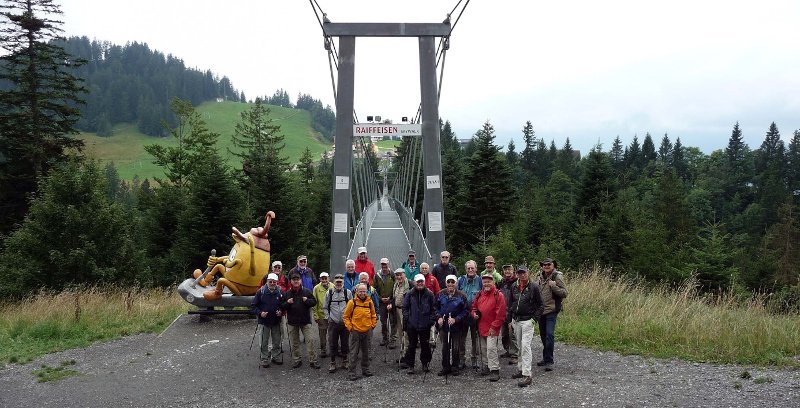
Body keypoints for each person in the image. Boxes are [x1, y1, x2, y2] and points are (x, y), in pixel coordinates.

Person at [507, 265, 544, 387]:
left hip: (528, 320)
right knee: (519, 345)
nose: (522, 275)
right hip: (516, 320)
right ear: (517, 274)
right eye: (519, 273)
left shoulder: (534, 287)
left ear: (528, 273)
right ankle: (521, 369)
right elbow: (510, 304)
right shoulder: (514, 286)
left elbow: (541, 305)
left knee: (525, 346)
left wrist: (534, 319)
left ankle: (528, 375)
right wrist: (509, 320)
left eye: (524, 273)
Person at [471, 273, 506, 382]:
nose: (486, 283)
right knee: (484, 348)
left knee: (491, 349)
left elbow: (501, 314)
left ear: (493, 282)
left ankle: (494, 370)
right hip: (481, 326)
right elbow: (473, 307)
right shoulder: (479, 294)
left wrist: (494, 326)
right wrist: (474, 314)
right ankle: (486, 366)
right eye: (485, 281)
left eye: (489, 281)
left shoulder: (498, 295)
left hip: (492, 327)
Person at [281, 273, 319, 369]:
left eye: (297, 279)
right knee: (294, 342)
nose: (296, 281)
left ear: (300, 281)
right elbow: (282, 306)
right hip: (292, 322)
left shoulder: (306, 291)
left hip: (305, 321)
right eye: (294, 280)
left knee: (310, 340)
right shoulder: (287, 293)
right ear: (291, 282)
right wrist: (287, 303)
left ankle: (313, 360)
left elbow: (314, 302)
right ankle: (297, 360)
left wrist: (307, 301)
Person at [536, 258, 568, 371]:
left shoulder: (557, 276)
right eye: (544, 265)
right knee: (543, 336)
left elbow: (565, 293)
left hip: (552, 310)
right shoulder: (539, 276)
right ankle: (546, 358)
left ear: (553, 265)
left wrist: (553, 286)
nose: (546, 266)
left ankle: (549, 360)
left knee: (549, 335)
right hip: (541, 311)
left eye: (549, 264)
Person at [343, 283, 378, 380]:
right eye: (360, 291)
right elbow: (346, 317)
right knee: (354, 353)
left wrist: (372, 325)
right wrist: (350, 328)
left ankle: (365, 369)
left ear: (367, 291)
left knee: (366, 352)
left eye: (364, 291)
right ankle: (352, 372)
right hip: (356, 332)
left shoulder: (369, 302)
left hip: (367, 331)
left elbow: (373, 315)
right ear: (356, 291)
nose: (362, 293)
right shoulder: (352, 302)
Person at [402, 274, 435, 374]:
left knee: (425, 346)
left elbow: (433, 308)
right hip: (412, 325)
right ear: (415, 282)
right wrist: (408, 319)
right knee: (411, 346)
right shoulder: (409, 294)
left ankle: (425, 364)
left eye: (422, 281)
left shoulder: (430, 294)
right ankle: (411, 365)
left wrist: (431, 320)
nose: (420, 283)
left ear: (424, 282)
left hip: (425, 325)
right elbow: (405, 308)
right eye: (418, 282)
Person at [435, 274, 468, 377]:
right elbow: (435, 308)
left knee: (456, 347)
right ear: (445, 283)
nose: (450, 284)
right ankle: (445, 367)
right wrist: (439, 317)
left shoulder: (462, 295)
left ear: (456, 283)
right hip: (444, 324)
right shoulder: (440, 294)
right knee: (445, 347)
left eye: (452, 282)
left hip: (456, 325)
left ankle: (455, 366)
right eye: (448, 282)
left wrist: (456, 319)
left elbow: (466, 311)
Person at [251, 273, 284, 367]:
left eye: (274, 282)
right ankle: (264, 358)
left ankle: (276, 356)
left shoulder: (280, 292)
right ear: (267, 282)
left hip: (276, 321)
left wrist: (281, 311)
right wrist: (260, 313)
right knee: (263, 341)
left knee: (277, 341)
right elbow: (253, 306)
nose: (272, 283)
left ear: (277, 282)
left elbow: (284, 304)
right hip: (264, 321)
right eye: (270, 281)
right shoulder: (260, 292)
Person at [324, 273, 352, 373]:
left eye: (340, 282)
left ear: (343, 282)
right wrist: (328, 318)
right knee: (332, 343)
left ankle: (345, 360)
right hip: (333, 322)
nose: (339, 283)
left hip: (345, 322)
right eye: (337, 282)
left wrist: (349, 319)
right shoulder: (329, 293)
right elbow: (325, 307)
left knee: (345, 343)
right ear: (334, 282)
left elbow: (351, 306)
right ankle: (332, 362)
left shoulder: (347, 292)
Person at [457, 260, 482, 369]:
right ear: (465, 269)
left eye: (472, 268)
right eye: (468, 268)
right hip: (463, 313)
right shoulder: (460, 280)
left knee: (475, 338)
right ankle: (461, 359)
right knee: (461, 338)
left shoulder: (481, 281)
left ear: (476, 269)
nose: (470, 270)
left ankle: (474, 359)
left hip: (475, 313)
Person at [498, 263, 519, 363]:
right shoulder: (502, 282)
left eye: (509, 269)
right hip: (503, 312)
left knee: (512, 334)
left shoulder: (517, 282)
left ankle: (515, 354)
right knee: (504, 334)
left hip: (513, 312)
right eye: (505, 270)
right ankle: (508, 350)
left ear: (513, 271)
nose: (507, 271)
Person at [373, 258, 395, 347]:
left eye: (385, 264)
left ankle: (393, 339)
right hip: (381, 302)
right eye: (382, 264)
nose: (384, 266)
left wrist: (391, 298)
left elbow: (396, 287)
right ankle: (385, 338)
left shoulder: (393, 274)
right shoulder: (377, 276)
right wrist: (380, 298)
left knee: (393, 321)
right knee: (383, 322)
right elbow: (374, 289)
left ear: (388, 264)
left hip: (391, 301)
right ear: (380, 265)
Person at [388, 267, 410, 350]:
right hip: (397, 310)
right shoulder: (396, 284)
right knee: (400, 332)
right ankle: (403, 352)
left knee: (406, 332)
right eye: (397, 275)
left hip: (406, 311)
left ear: (404, 275)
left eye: (400, 275)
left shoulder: (410, 284)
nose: (399, 277)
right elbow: (393, 297)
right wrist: (390, 303)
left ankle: (407, 354)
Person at [420, 262, 440, 348]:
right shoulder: (418, 278)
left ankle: (432, 339)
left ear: (428, 269)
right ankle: (420, 339)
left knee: (432, 322)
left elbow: (438, 292)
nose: (424, 270)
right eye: (422, 268)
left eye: (425, 268)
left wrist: (435, 303)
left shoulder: (433, 279)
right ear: (420, 270)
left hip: (431, 305)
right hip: (420, 305)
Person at [312, 272, 332, 358]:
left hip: (332, 315)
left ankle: (333, 349)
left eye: (325, 278)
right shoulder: (316, 288)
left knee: (332, 334)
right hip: (321, 315)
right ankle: (323, 350)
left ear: (329, 278)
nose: (324, 280)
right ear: (320, 279)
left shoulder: (333, 286)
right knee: (322, 334)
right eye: (322, 278)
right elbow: (314, 302)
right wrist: (316, 316)